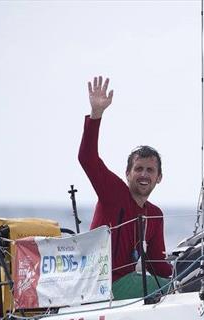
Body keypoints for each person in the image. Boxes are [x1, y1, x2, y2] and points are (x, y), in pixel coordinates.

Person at [78, 75, 172, 300]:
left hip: (128, 285)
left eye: (150, 170)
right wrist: (96, 115)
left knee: (179, 285)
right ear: (127, 173)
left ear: (159, 177)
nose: (144, 175)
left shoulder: (155, 215)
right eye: (138, 169)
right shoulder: (113, 193)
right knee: (173, 289)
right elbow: (87, 158)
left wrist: (186, 274)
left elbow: (159, 267)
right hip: (101, 285)